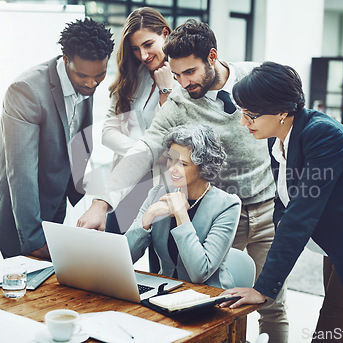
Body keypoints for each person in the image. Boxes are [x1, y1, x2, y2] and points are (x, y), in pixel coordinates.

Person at [79, 20, 289, 341]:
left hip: (266, 211)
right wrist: (101, 203)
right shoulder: (179, 100)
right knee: (219, 307)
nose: (183, 82)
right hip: (218, 215)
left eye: (189, 72)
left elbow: (291, 108)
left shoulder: (254, 77)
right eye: (176, 75)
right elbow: (146, 149)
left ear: (212, 56)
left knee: (272, 305)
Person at [220, 61, 343, 342]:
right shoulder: (279, 137)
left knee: (329, 335)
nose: (243, 123)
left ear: (282, 111)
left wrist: (264, 288)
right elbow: (284, 206)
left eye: (250, 115)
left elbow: (301, 213)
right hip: (338, 246)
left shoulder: (324, 136)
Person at [0, 18, 114, 259]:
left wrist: (89, 195)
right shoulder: (26, 91)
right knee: (23, 285)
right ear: (65, 58)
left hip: (53, 200)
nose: (92, 83)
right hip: (14, 212)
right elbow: (21, 173)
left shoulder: (86, 80)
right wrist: (34, 242)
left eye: (99, 76)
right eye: (83, 76)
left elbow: (77, 139)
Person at [125, 124, 241, 288]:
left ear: (204, 167)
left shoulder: (227, 206)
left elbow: (200, 273)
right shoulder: (158, 193)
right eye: (170, 159)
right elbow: (125, 259)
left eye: (183, 164)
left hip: (209, 298)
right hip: (163, 293)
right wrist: (148, 216)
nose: (172, 169)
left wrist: (181, 214)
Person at [102, 7, 174, 233]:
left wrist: (166, 91)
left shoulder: (182, 78)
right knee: (112, 256)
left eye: (148, 44)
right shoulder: (132, 77)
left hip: (164, 187)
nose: (143, 55)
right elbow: (107, 133)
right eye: (135, 49)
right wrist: (145, 153)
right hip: (128, 183)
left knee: (160, 260)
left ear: (165, 34)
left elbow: (171, 138)